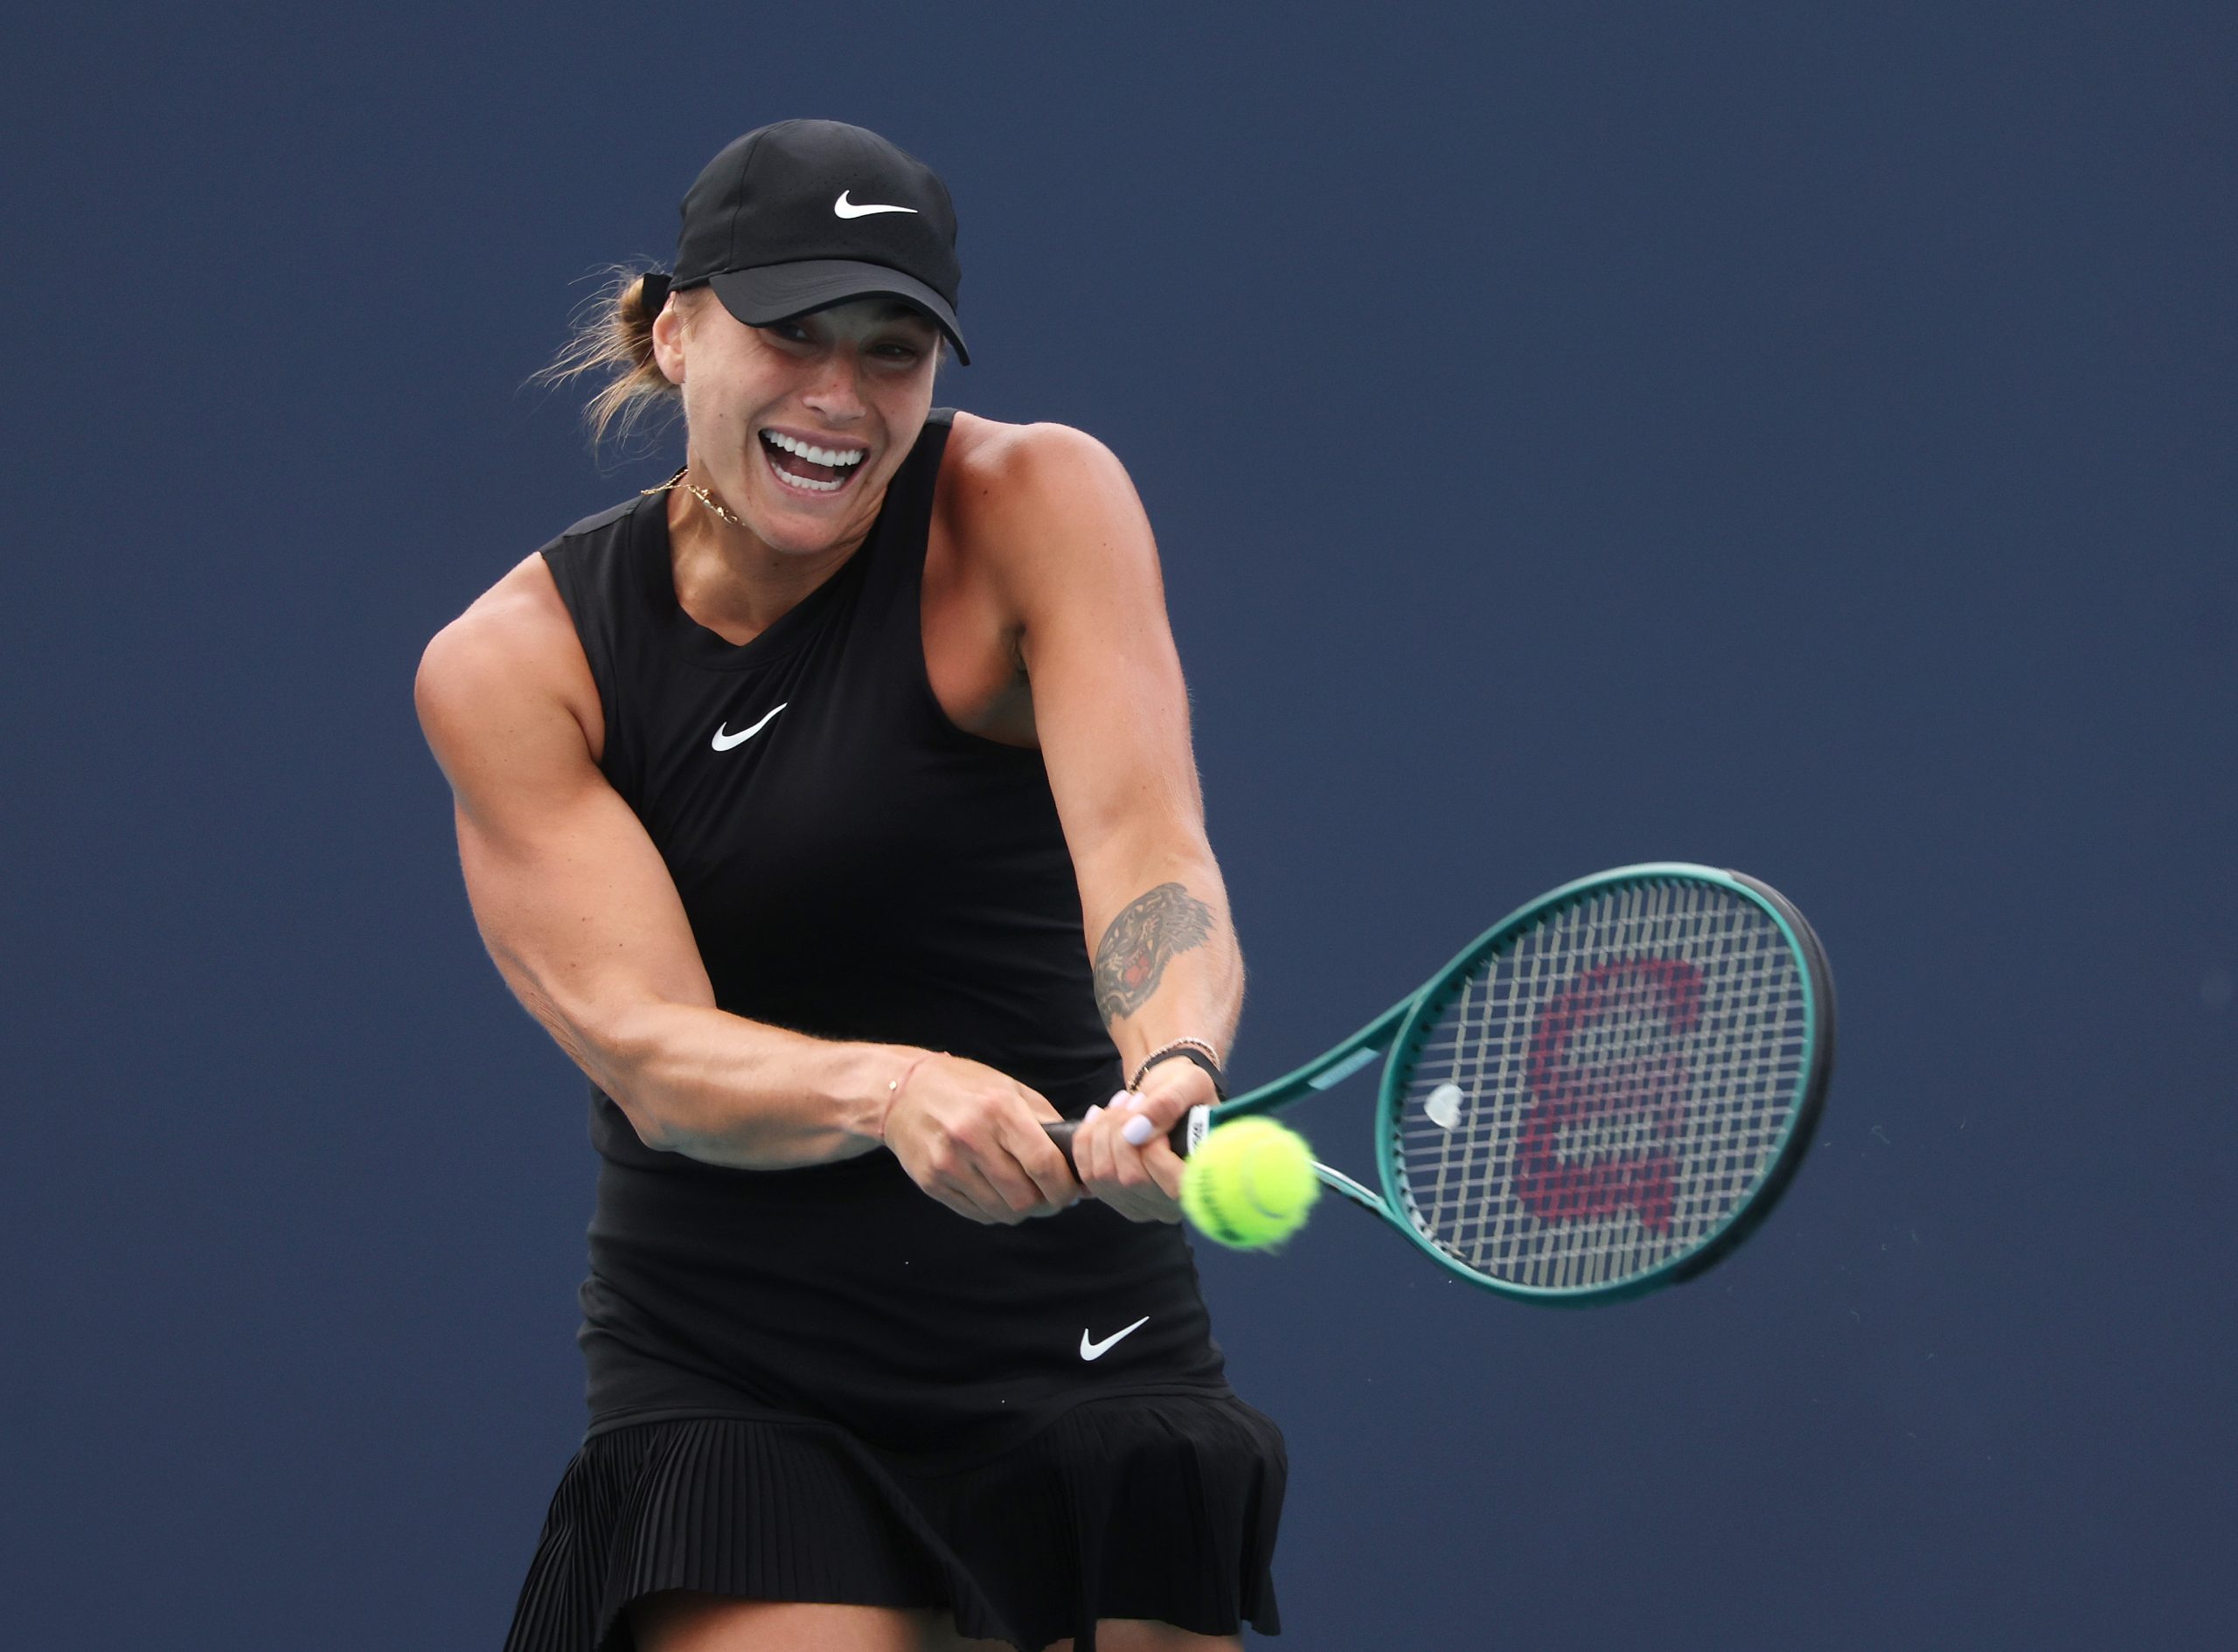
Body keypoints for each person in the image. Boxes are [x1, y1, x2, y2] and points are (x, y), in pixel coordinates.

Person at [414, 119, 1285, 1652]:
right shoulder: (517, 666)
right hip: (744, 1363)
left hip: (1083, 1324)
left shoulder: (1036, 505)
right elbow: (651, 1051)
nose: (839, 396)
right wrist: (889, 1090)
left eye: (891, 349)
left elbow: (1148, 850)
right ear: (674, 331)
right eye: (792, 332)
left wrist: (1175, 1056)